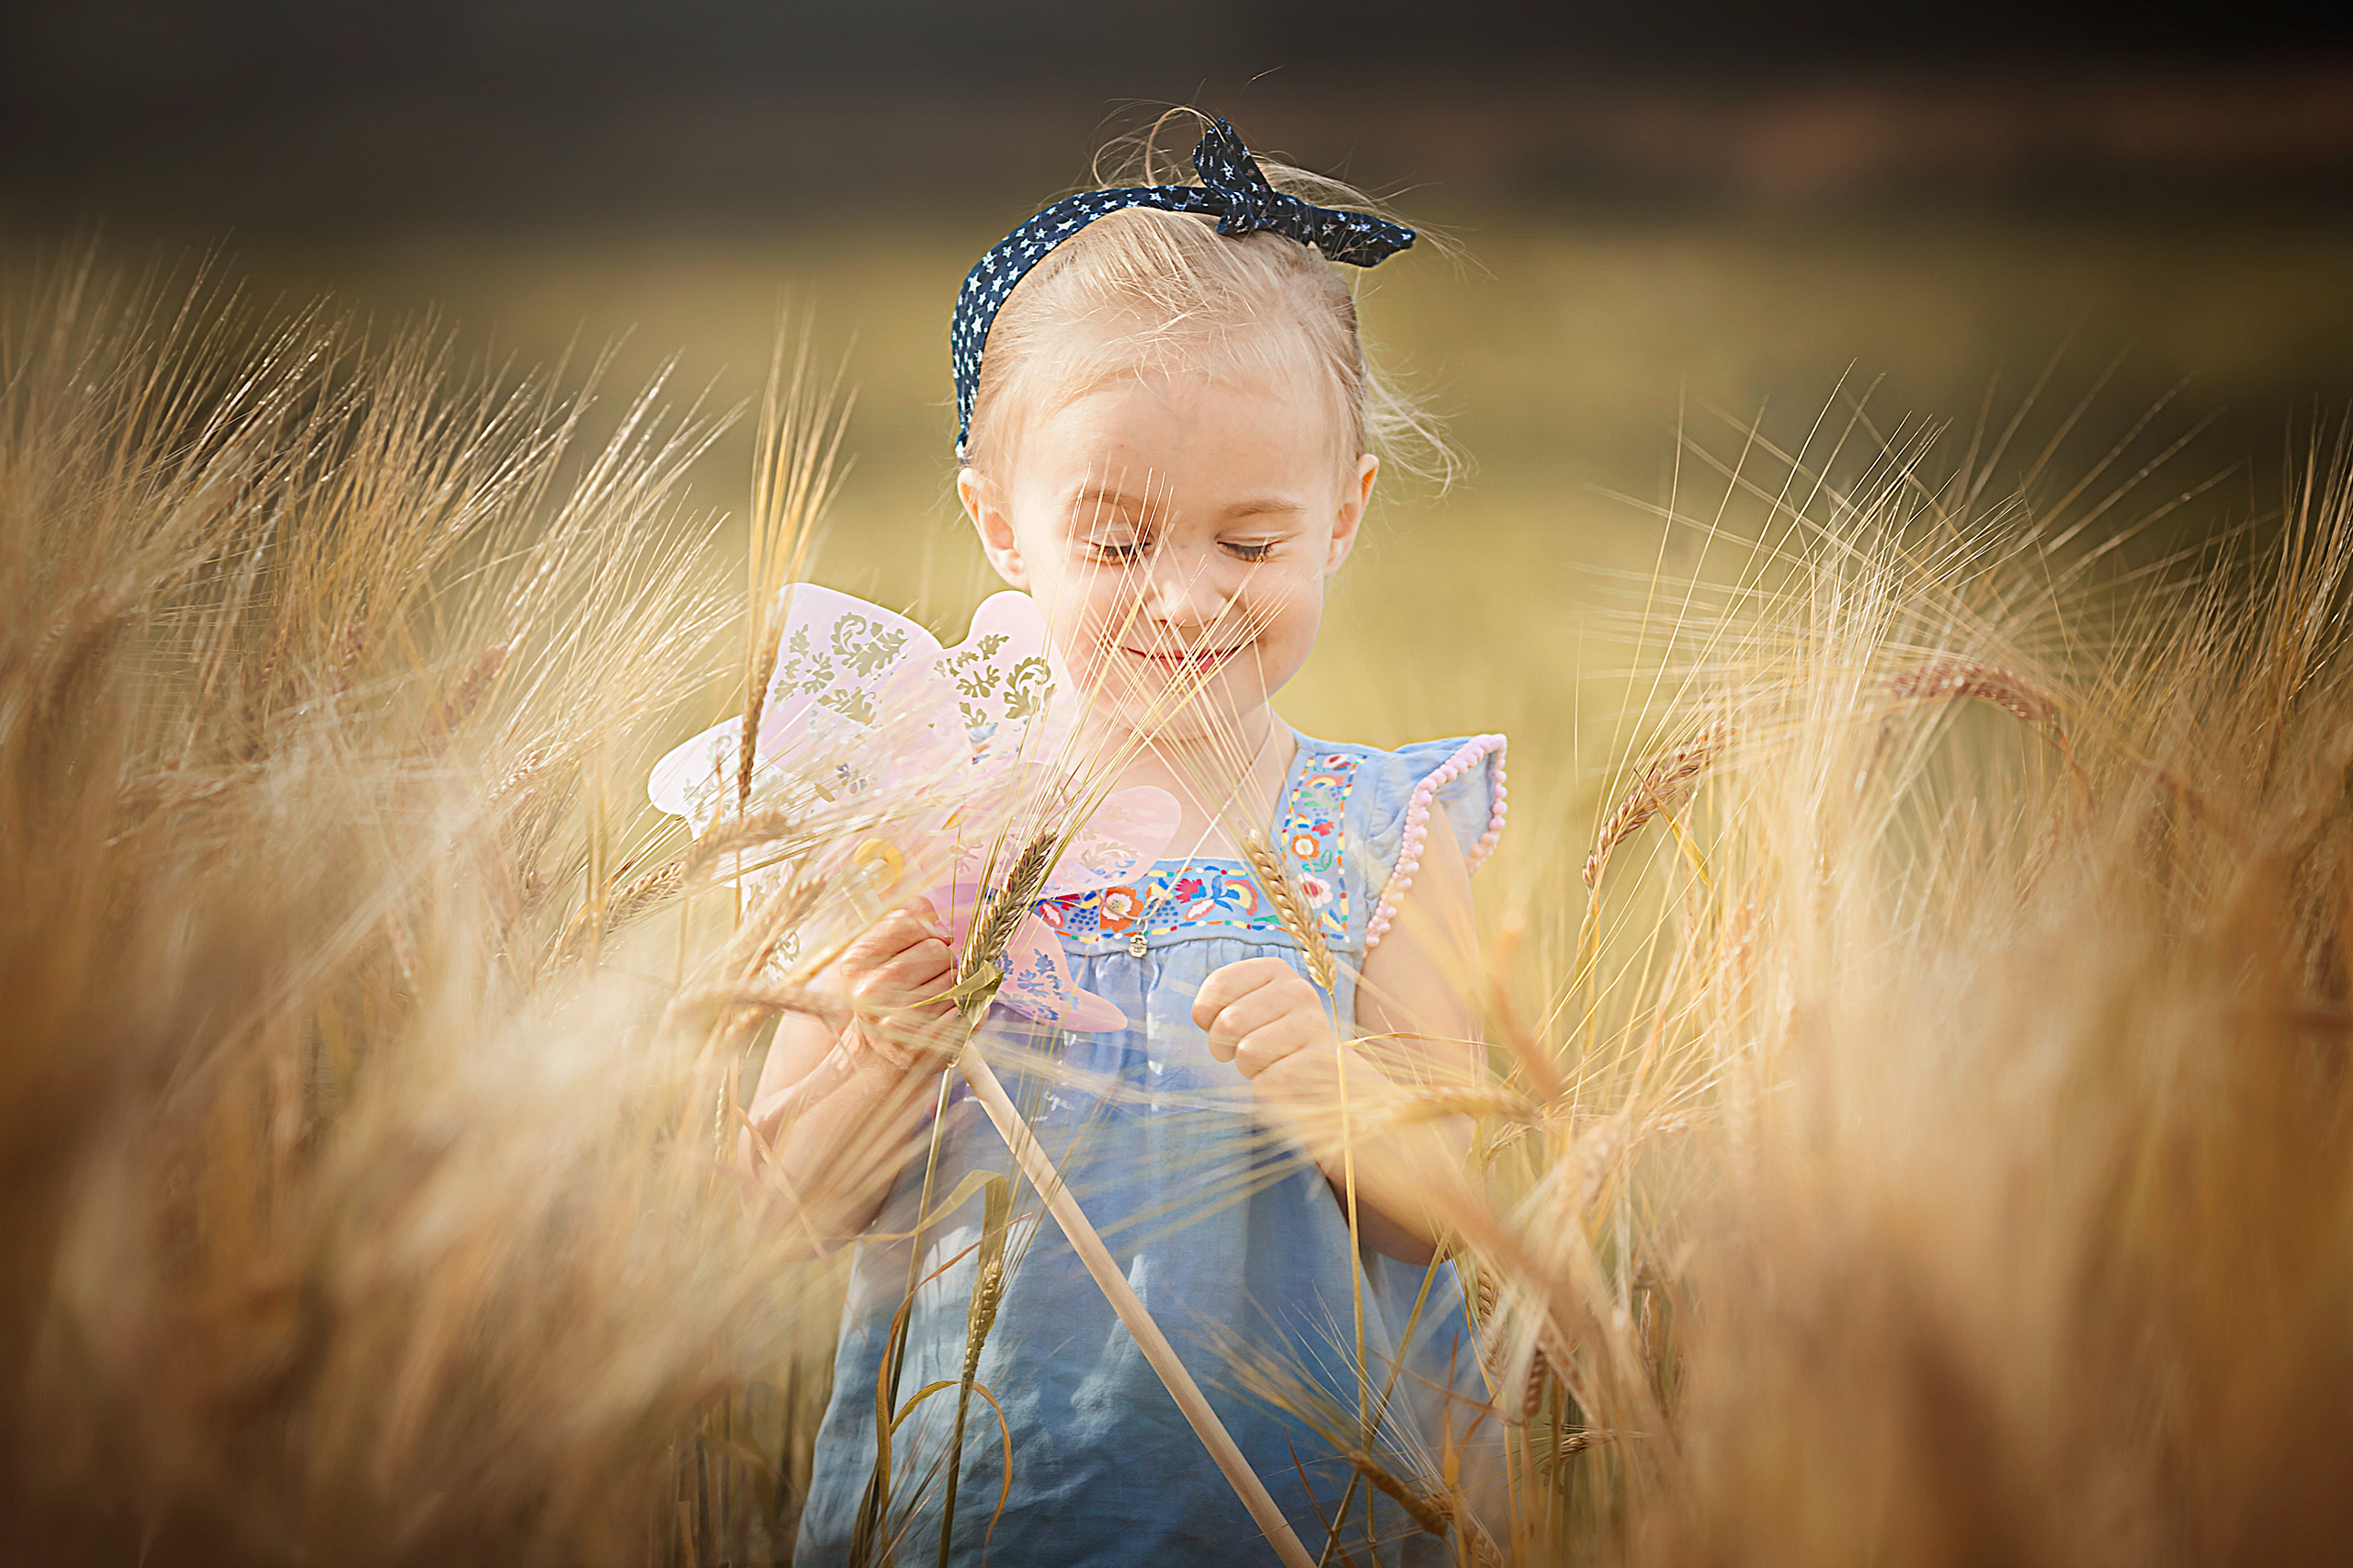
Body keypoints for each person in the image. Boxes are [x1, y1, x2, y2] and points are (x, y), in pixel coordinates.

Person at [755, 113, 1509, 1567]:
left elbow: (1454, 1212)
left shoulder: (1382, 831)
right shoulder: (914, 821)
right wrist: (873, 1052)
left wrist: (1344, 1091)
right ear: (1000, 525)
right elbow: (778, 1206)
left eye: (1249, 541)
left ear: (1343, 517)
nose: (1183, 599)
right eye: (1114, 542)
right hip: (986, 1507)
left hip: (1310, 1512)